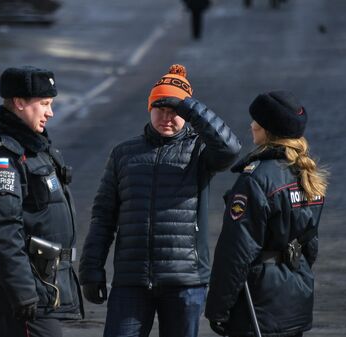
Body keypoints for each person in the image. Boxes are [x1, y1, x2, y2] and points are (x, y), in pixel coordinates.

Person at [79, 64, 241, 337]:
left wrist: (188, 106)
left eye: (175, 112)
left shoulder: (199, 152)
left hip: (185, 281)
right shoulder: (124, 154)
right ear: (149, 109)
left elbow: (230, 149)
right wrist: (91, 269)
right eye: (160, 109)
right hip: (131, 281)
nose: (167, 117)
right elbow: (103, 215)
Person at [0, 66, 83, 337]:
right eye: (45, 104)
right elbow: (3, 229)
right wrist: (23, 292)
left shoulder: (35, 148)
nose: (50, 112)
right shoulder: (2, 156)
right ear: (19, 103)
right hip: (27, 294)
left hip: (44, 285)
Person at [205, 91, 328, 337]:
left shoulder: (255, 180)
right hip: (295, 296)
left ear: (266, 131)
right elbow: (310, 245)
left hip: (258, 304)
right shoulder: (308, 176)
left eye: (256, 122)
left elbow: (236, 251)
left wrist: (218, 308)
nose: (251, 126)